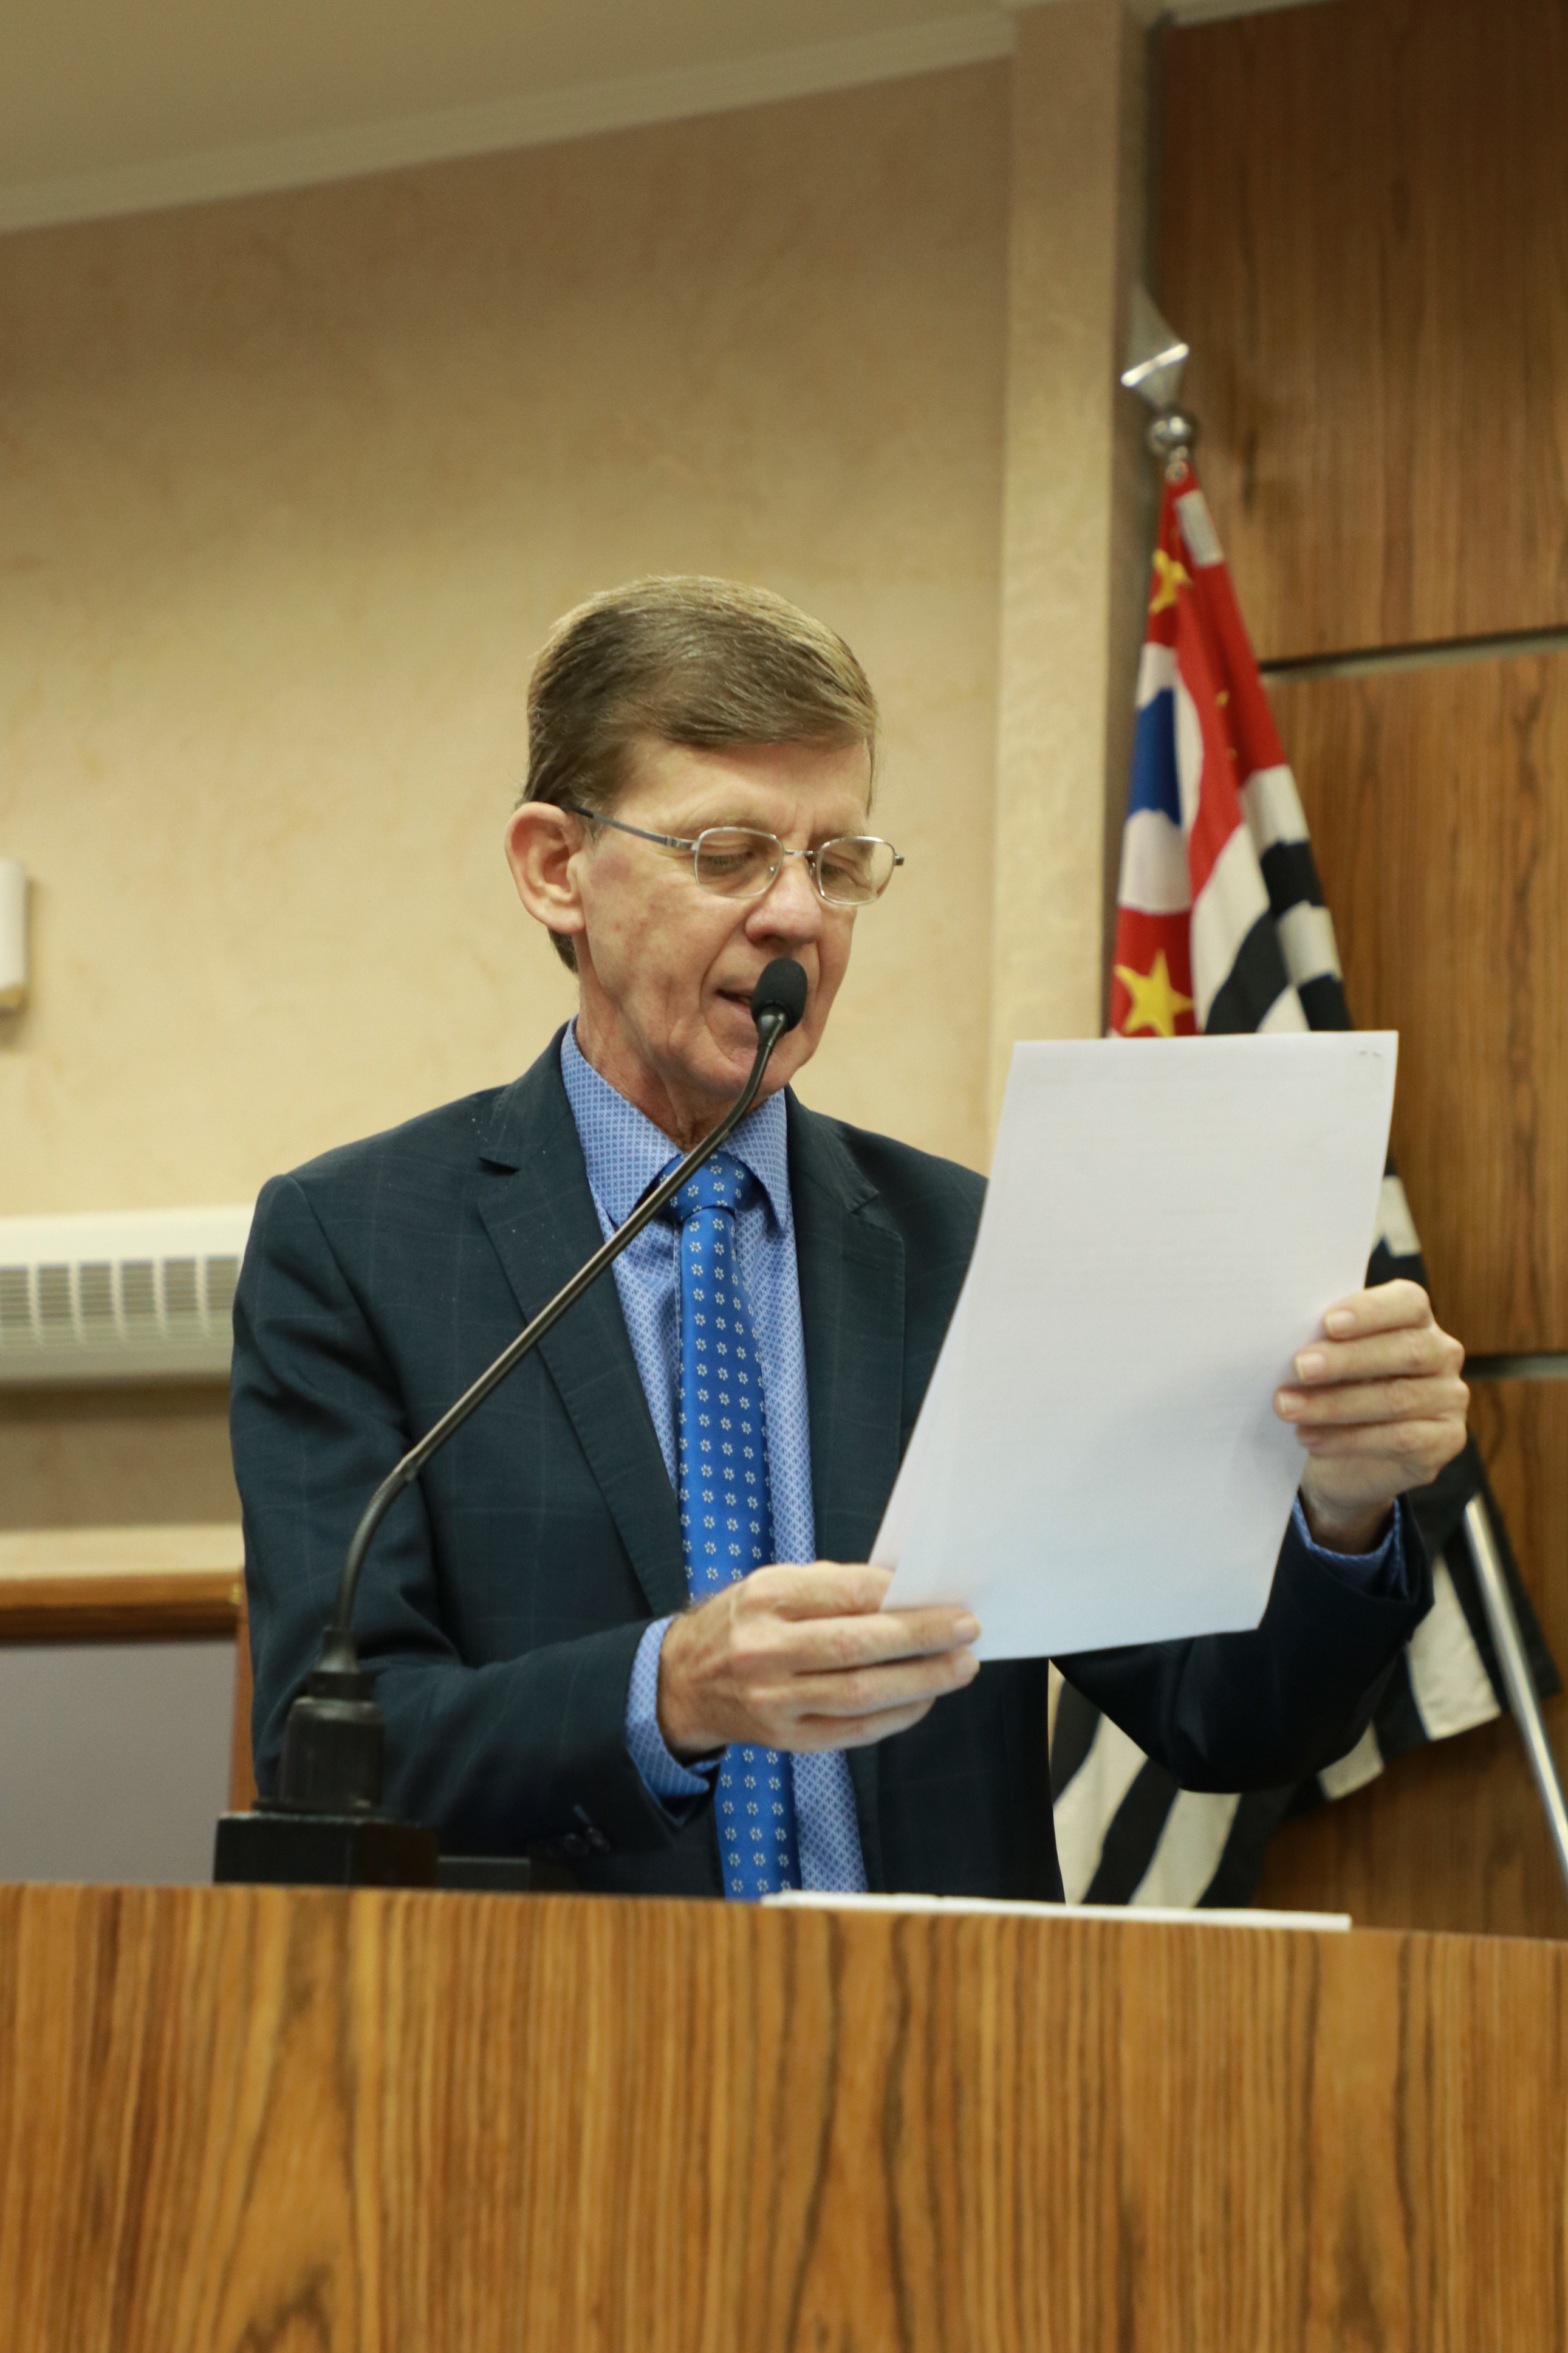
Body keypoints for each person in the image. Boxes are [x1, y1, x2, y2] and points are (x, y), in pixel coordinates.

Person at [233, 576, 1467, 1899]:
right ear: (555, 870)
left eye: (835, 865)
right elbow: (337, 1754)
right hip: (562, 2019)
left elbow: (1229, 1717)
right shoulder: (356, 1246)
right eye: (725, 854)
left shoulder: (971, 1247)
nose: (796, 917)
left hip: (938, 2017)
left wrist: (1342, 1507)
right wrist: (671, 1693)